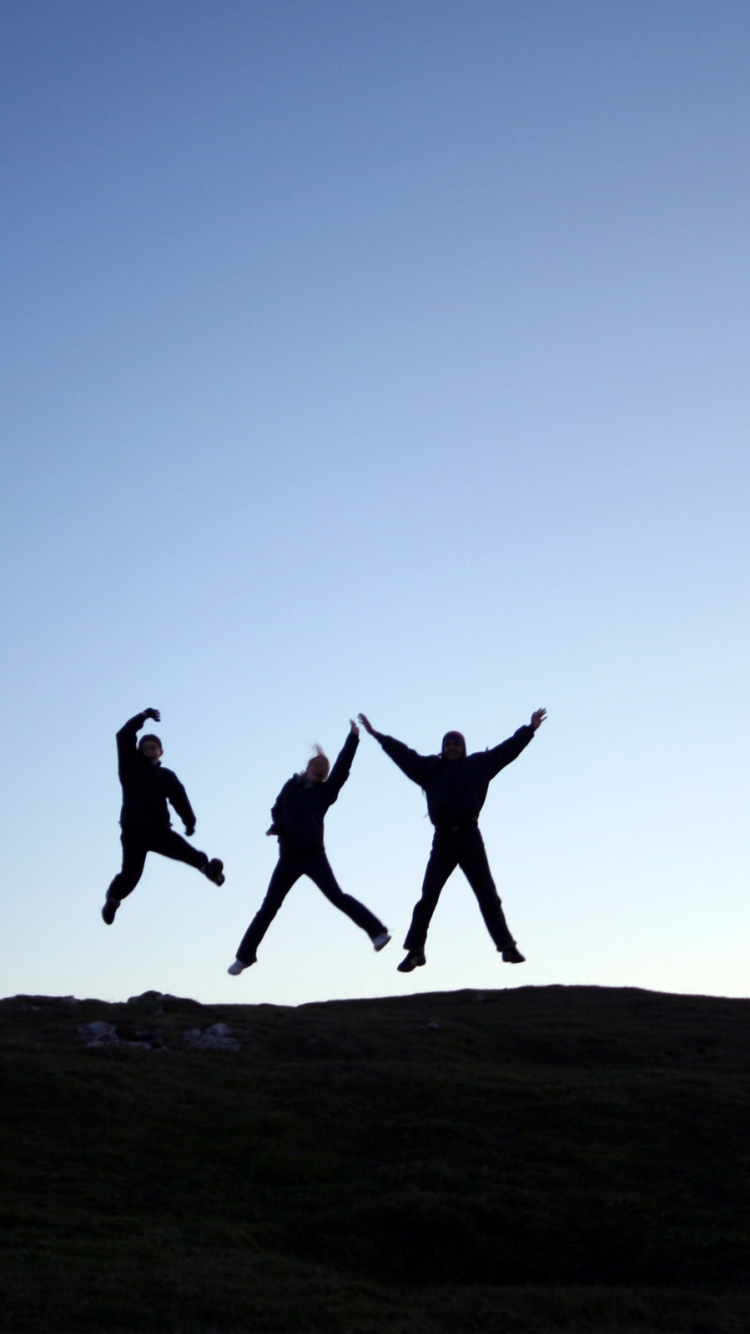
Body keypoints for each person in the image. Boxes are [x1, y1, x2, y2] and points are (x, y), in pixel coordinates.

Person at [357, 708, 546, 972]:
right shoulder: (430, 769)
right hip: (443, 839)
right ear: (443, 748)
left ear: (464, 748)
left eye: (457, 744)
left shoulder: (479, 765)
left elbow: (507, 750)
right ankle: (415, 951)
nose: (453, 747)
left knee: (488, 895)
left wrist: (529, 730)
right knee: (428, 897)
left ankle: (506, 946)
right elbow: (404, 756)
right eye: (448, 744)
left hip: (470, 837)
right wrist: (378, 736)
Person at [227, 719, 390, 974]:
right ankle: (245, 955)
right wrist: (277, 826)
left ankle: (377, 932)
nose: (321, 770)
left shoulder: (325, 792)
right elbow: (277, 809)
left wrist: (353, 739)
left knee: (336, 896)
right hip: (289, 855)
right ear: (308, 766)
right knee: (269, 906)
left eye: (324, 769)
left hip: (313, 853)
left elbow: (342, 769)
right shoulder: (290, 787)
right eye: (317, 765)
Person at [102, 708, 225, 925]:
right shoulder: (129, 767)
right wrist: (143, 716)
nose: (149, 750)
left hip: (158, 831)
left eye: (153, 748)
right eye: (145, 747)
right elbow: (123, 736)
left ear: (161, 752)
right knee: (130, 877)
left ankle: (208, 869)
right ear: (139, 751)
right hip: (133, 833)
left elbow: (179, 797)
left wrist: (189, 821)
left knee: (187, 852)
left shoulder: (166, 776)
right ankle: (113, 898)